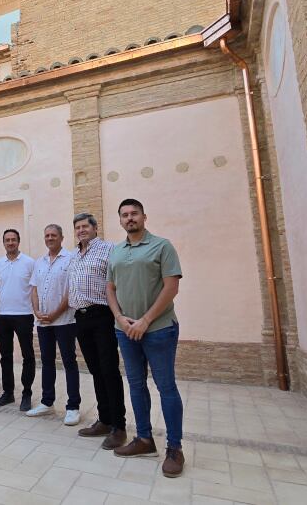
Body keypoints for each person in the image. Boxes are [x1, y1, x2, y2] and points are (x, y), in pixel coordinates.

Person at [106, 198, 185, 477]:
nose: (130, 218)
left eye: (134, 214)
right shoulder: (116, 252)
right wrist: (119, 317)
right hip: (126, 331)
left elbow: (171, 287)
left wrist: (145, 320)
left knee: (166, 388)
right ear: (120, 220)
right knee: (137, 386)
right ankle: (143, 439)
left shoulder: (161, 246)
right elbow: (110, 288)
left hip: (159, 329)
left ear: (144, 217)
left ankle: (174, 448)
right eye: (125, 215)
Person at [68, 213, 127, 451]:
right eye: (77, 227)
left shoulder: (108, 249)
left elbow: (118, 282)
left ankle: (119, 427)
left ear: (94, 228)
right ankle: (104, 420)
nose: (81, 230)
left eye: (85, 226)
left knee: (109, 369)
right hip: (80, 318)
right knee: (95, 370)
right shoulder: (74, 255)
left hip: (102, 314)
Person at [27, 224, 81, 426]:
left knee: (69, 362)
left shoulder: (71, 259)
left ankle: (73, 407)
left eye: (54, 235)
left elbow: (71, 289)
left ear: (61, 237)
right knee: (47, 362)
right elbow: (33, 289)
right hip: (42, 322)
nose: (50, 238)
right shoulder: (39, 262)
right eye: (47, 235)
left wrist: (55, 313)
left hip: (65, 321)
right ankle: (46, 402)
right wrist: (37, 311)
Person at [0, 229, 37, 411]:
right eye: (7, 240)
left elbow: (35, 290)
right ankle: (8, 393)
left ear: (19, 241)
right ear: (3, 243)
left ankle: (27, 394)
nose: (10, 243)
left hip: (24, 315)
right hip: (2, 316)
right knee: (6, 356)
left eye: (13, 240)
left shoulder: (29, 263)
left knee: (28, 356)